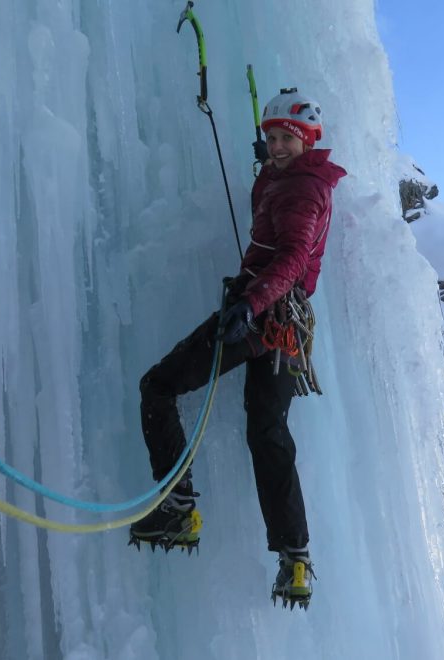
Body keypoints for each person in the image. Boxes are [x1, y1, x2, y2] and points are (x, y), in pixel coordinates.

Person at [129, 88, 346, 608]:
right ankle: (295, 558)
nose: (276, 146)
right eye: (271, 138)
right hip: (288, 329)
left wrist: (249, 305)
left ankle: (178, 507)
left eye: (286, 139)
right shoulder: (298, 180)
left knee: (158, 386)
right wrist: (269, 173)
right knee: (267, 432)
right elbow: (282, 235)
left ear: (308, 139)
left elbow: (291, 255)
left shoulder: (300, 191)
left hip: (261, 316)